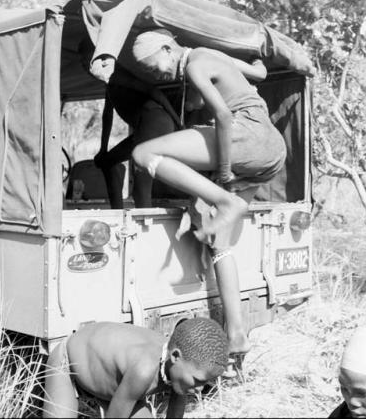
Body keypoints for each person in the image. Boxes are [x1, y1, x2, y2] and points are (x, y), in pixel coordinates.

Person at [126, 29, 286, 362]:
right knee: (220, 244)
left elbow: (225, 117)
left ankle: (224, 200)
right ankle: (237, 334)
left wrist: (225, 171)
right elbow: (260, 72)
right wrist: (253, 55)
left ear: (168, 48)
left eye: (155, 66)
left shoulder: (195, 64)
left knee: (143, 154)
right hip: (272, 150)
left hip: (247, 135)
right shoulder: (212, 55)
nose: (158, 75)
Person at [42, 317, 228, 418]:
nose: (200, 388)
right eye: (198, 381)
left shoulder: (181, 370)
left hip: (113, 386)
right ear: (175, 356)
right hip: (68, 365)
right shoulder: (144, 370)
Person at [79, 37, 180, 208]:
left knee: (141, 185)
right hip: (143, 128)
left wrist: (179, 123)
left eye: (87, 59)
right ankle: (117, 212)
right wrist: (103, 148)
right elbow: (107, 116)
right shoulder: (108, 82)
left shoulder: (116, 73)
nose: (85, 65)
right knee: (106, 161)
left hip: (154, 121)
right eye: (82, 60)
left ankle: (145, 229)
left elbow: (154, 92)